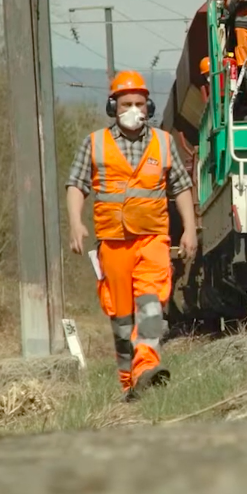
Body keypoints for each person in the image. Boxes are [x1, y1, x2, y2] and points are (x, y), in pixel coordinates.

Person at [66, 70, 198, 400]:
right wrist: (75, 223)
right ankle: (130, 380)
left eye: (139, 103)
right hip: (113, 242)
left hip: (153, 238)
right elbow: (76, 185)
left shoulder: (163, 142)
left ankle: (147, 366)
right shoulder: (94, 143)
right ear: (113, 106)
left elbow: (181, 186)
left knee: (152, 305)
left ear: (148, 106)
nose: (133, 109)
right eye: (126, 103)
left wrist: (190, 229)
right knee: (122, 318)